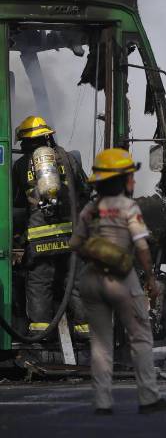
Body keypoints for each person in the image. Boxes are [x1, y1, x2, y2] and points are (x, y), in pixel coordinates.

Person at [69, 148, 166, 414]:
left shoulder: (90, 210)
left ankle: (102, 403)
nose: (134, 181)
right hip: (122, 280)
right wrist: (150, 278)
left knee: (100, 343)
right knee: (140, 337)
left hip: (91, 280)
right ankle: (148, 399)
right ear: (122, 179)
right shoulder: (128, 208)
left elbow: (76, 244)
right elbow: (141, 247)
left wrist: (98, 251)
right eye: (130, 176)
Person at [13, 115, 89, 338]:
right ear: (48, 137)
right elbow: (84, 191)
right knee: (74, 280)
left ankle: (40, 331)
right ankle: (85, 330)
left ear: (27, 142)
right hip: (70, 234)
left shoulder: (20, 165)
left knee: (39, 282)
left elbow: (16, 202)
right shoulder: (69, 159)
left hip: (40, 237)